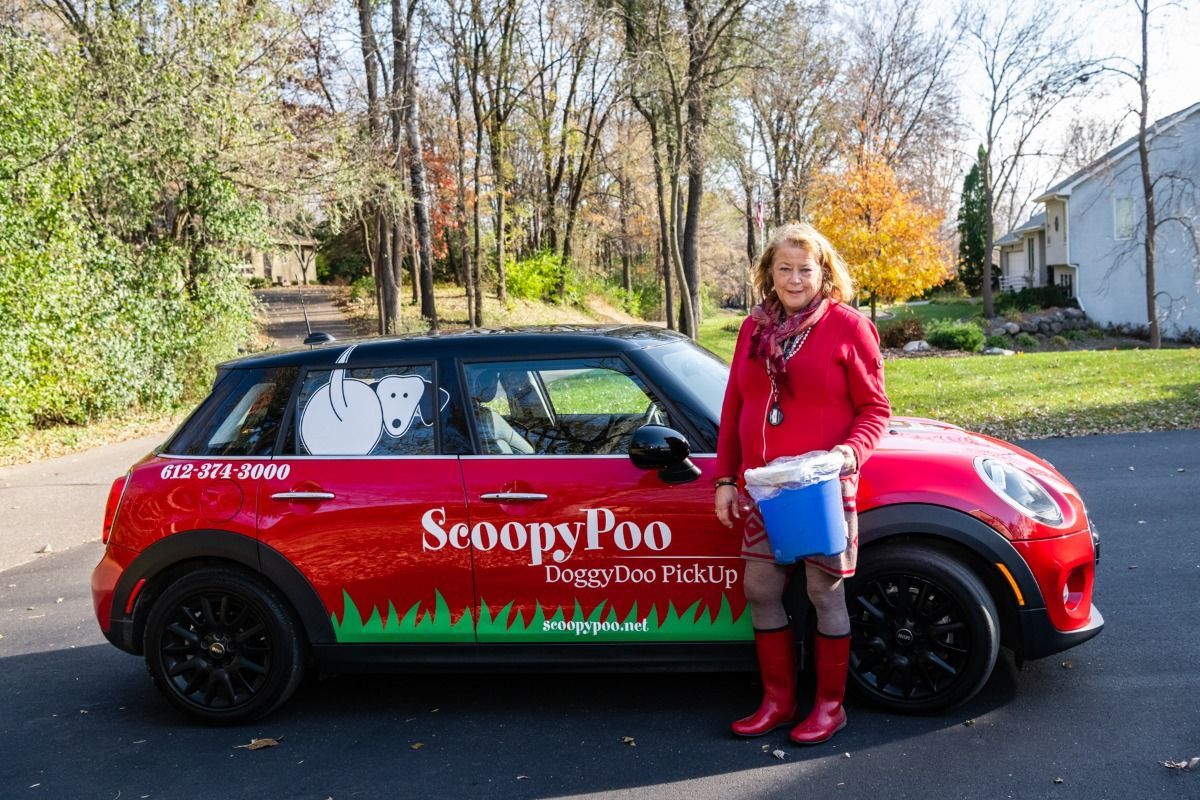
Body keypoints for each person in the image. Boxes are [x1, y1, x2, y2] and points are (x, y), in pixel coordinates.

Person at [714, 222, 890, 744]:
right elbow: (734, 408)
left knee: (824, 592)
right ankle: (777, 701)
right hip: (763, 488)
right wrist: (725, 478)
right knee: (761, 588)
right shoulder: (752, 329)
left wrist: (846, 455)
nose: (794, 279)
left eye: (805, 269)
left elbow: (875, 409)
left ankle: (830, 707)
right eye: (784, 269)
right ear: (768, 272)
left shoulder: (848, 327)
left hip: (819, 488)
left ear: (824, 272)